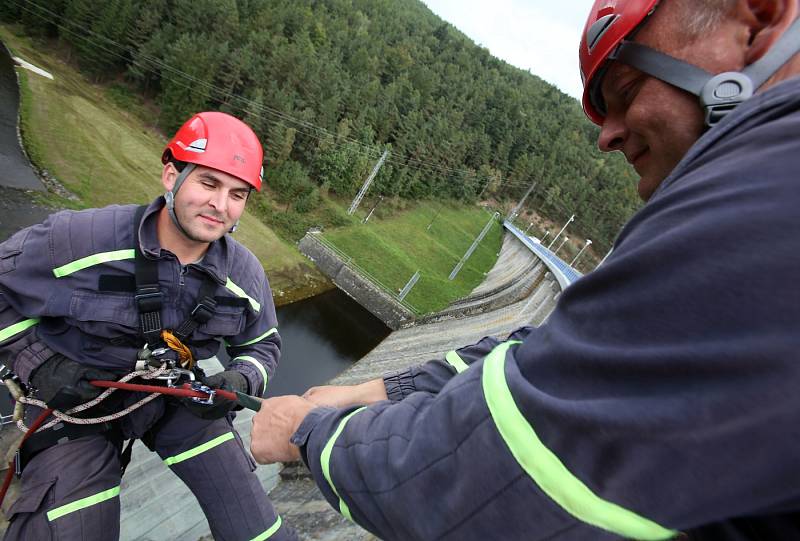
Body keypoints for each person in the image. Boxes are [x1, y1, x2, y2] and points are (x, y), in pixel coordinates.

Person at [249, 0, 800, 539]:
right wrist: (375, 389)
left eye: (627, 92)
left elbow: (488, 468)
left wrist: (305, 431)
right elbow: (543, 357)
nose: (606, 136)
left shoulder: (767, 200)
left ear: (759, 16)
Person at [0, 112, 296, 540]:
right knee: (70, 525)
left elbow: (263, 345)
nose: (221, 206)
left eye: (237, 194)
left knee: (257, 529)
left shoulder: (244, 275)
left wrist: (242, 379)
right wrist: (39, 364)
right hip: (72, 402)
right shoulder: (79, 240)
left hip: (173, 396)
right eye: (208, 183)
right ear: (171, 175)